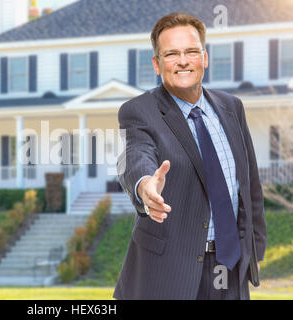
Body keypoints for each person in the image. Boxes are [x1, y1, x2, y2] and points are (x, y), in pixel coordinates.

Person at [114, 12, 267, 300]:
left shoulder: (232, 107)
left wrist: (254, 249)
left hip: (230, 267)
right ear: (157, 65)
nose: (183, 61)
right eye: (171, 54)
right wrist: (145, 186)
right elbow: (134, 156)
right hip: (169, 273)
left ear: (204, 58)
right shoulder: (137, 111)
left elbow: (249, 185)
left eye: (191, 51)